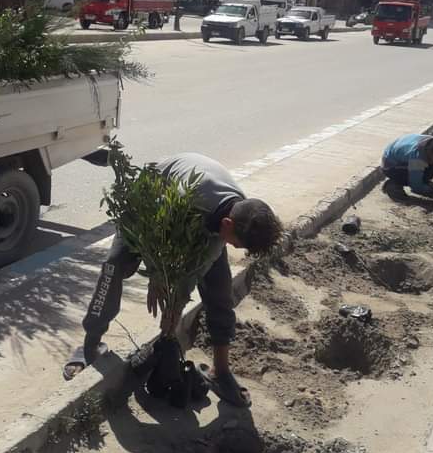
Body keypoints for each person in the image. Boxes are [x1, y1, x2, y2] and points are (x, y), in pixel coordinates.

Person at [63, 153, 283, 408]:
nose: (233, 247)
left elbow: (197, 268)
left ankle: (221, 372)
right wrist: (156, 275)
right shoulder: (190, 197)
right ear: (226, 224)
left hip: (199, 219)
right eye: (235, 243)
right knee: (114, 266)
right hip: (148, 210)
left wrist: (177, 302)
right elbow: (153, 233)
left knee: (220, 291)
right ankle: (90, 346)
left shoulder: (242, 214)